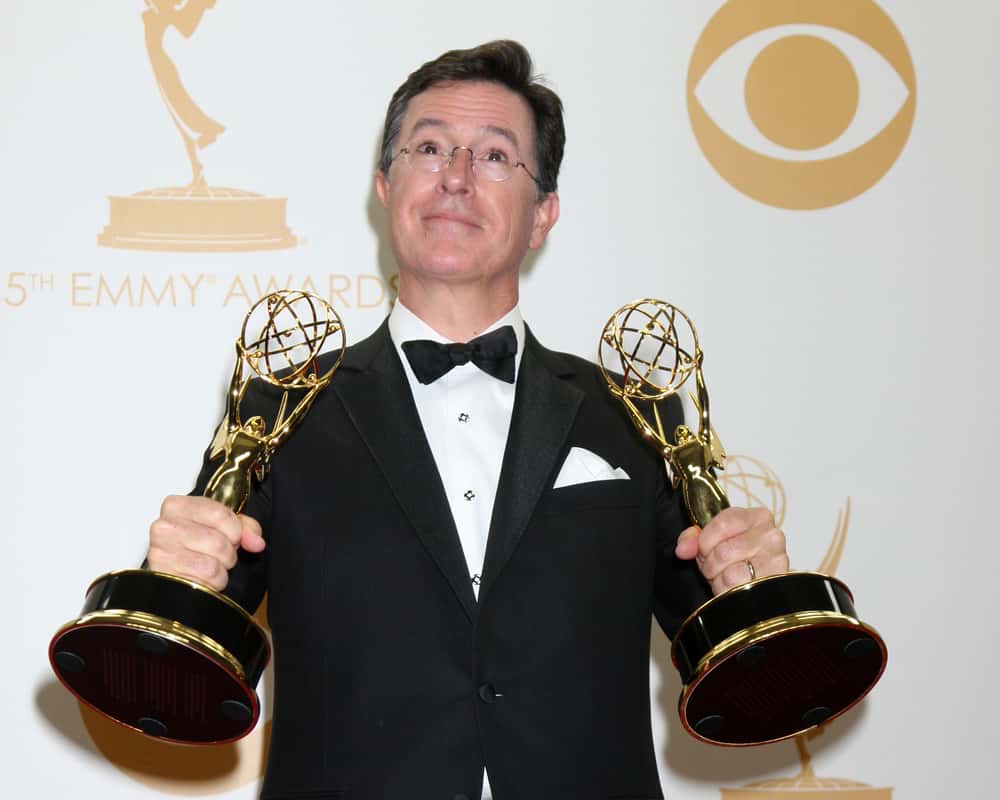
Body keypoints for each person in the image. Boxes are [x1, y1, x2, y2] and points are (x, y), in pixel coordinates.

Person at [147, 40, 789, 800]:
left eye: (493, 156)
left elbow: (727, 662)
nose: (454, 177)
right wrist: (176, 583)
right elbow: (188, 666)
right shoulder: (279, 408)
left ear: (542, 214)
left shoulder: (637, 413)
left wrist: (753, 586)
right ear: (385, 187)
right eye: (429, 148)